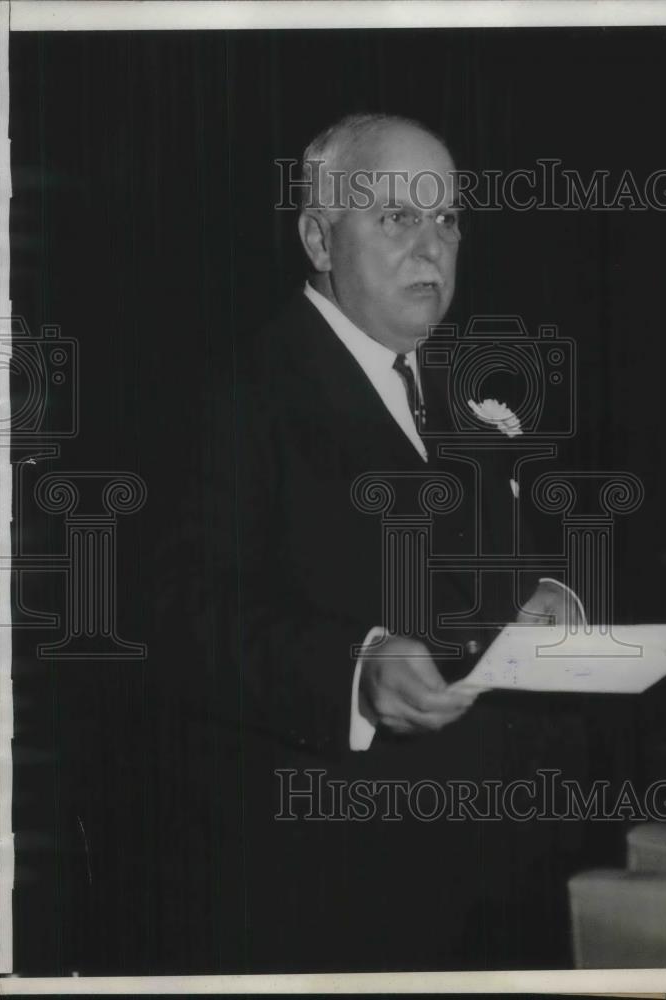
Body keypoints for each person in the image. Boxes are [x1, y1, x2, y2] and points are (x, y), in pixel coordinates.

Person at [204, 113, 588, 974]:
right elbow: (172, 613)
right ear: (317, 236)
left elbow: (492, 574)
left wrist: (549, 593)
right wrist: (352, 668)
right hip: (338, 888)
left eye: (447, 219)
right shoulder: (232, 391)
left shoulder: (455, 383)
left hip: (510, 873)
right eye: (396, 218)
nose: (432, 248)